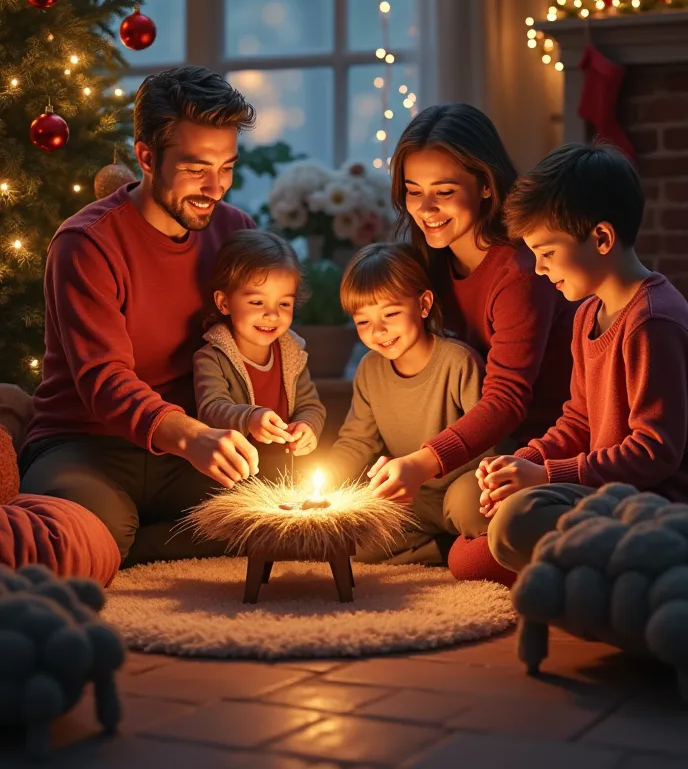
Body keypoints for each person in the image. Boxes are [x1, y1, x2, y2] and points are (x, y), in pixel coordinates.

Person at [20, 66, 261, 567]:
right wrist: (192, 436)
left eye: (228, 167)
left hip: (190, 451)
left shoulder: (236, 234)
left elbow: (259, 343)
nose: (216, 187)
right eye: (197, 169)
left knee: (272, 515)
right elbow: (103, 379)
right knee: (80, 537)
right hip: (86, 444)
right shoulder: (86, 243)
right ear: (147, 157)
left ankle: (136, 549)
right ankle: (128, 539)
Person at [365, 104, 576, 581]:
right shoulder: (429, 262)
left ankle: (463, 544)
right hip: (468, 452)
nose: (426, 209)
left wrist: (422, 461)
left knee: (470, 548)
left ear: (485, 184)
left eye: (444, 192)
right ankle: (447, 536)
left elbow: (506, 401)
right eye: (413, 192)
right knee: (367, 519)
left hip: (530, 450)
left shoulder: (520, 273)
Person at [478, 142, 688, 576]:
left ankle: (650, 568)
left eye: (547, 253)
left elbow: (654, 454)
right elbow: (578, 422)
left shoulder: (652, 322)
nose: (538, 268)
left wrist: (546, 477)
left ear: (602, 238)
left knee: (513, 527)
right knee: (485, 516)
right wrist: (527, 462)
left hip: (654, 505)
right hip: (604, 493)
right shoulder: (586, 315)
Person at [328, 242, 485, 564]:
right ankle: (443, 549)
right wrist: (326, 481)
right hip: (411, 498)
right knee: (355, 540)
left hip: (462, 485)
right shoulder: (370, 370)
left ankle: (461, 546)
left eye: (391, 314)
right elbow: (357, 440)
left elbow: (488, 442)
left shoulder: (457, 362)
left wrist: (425, 467)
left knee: (473, 507)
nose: (379, 331)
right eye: (363, 322)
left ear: (424, 304)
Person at [193, 229, 325, 480]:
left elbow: (311, 405)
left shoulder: (292, 353)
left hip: (285, 473)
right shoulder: (212, 357)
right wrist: (250, 418)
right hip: (233, 477)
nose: (272, 315)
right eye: (257, 302)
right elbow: (211, 409)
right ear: (224, 303)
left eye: (284, 304)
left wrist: (308, 426)